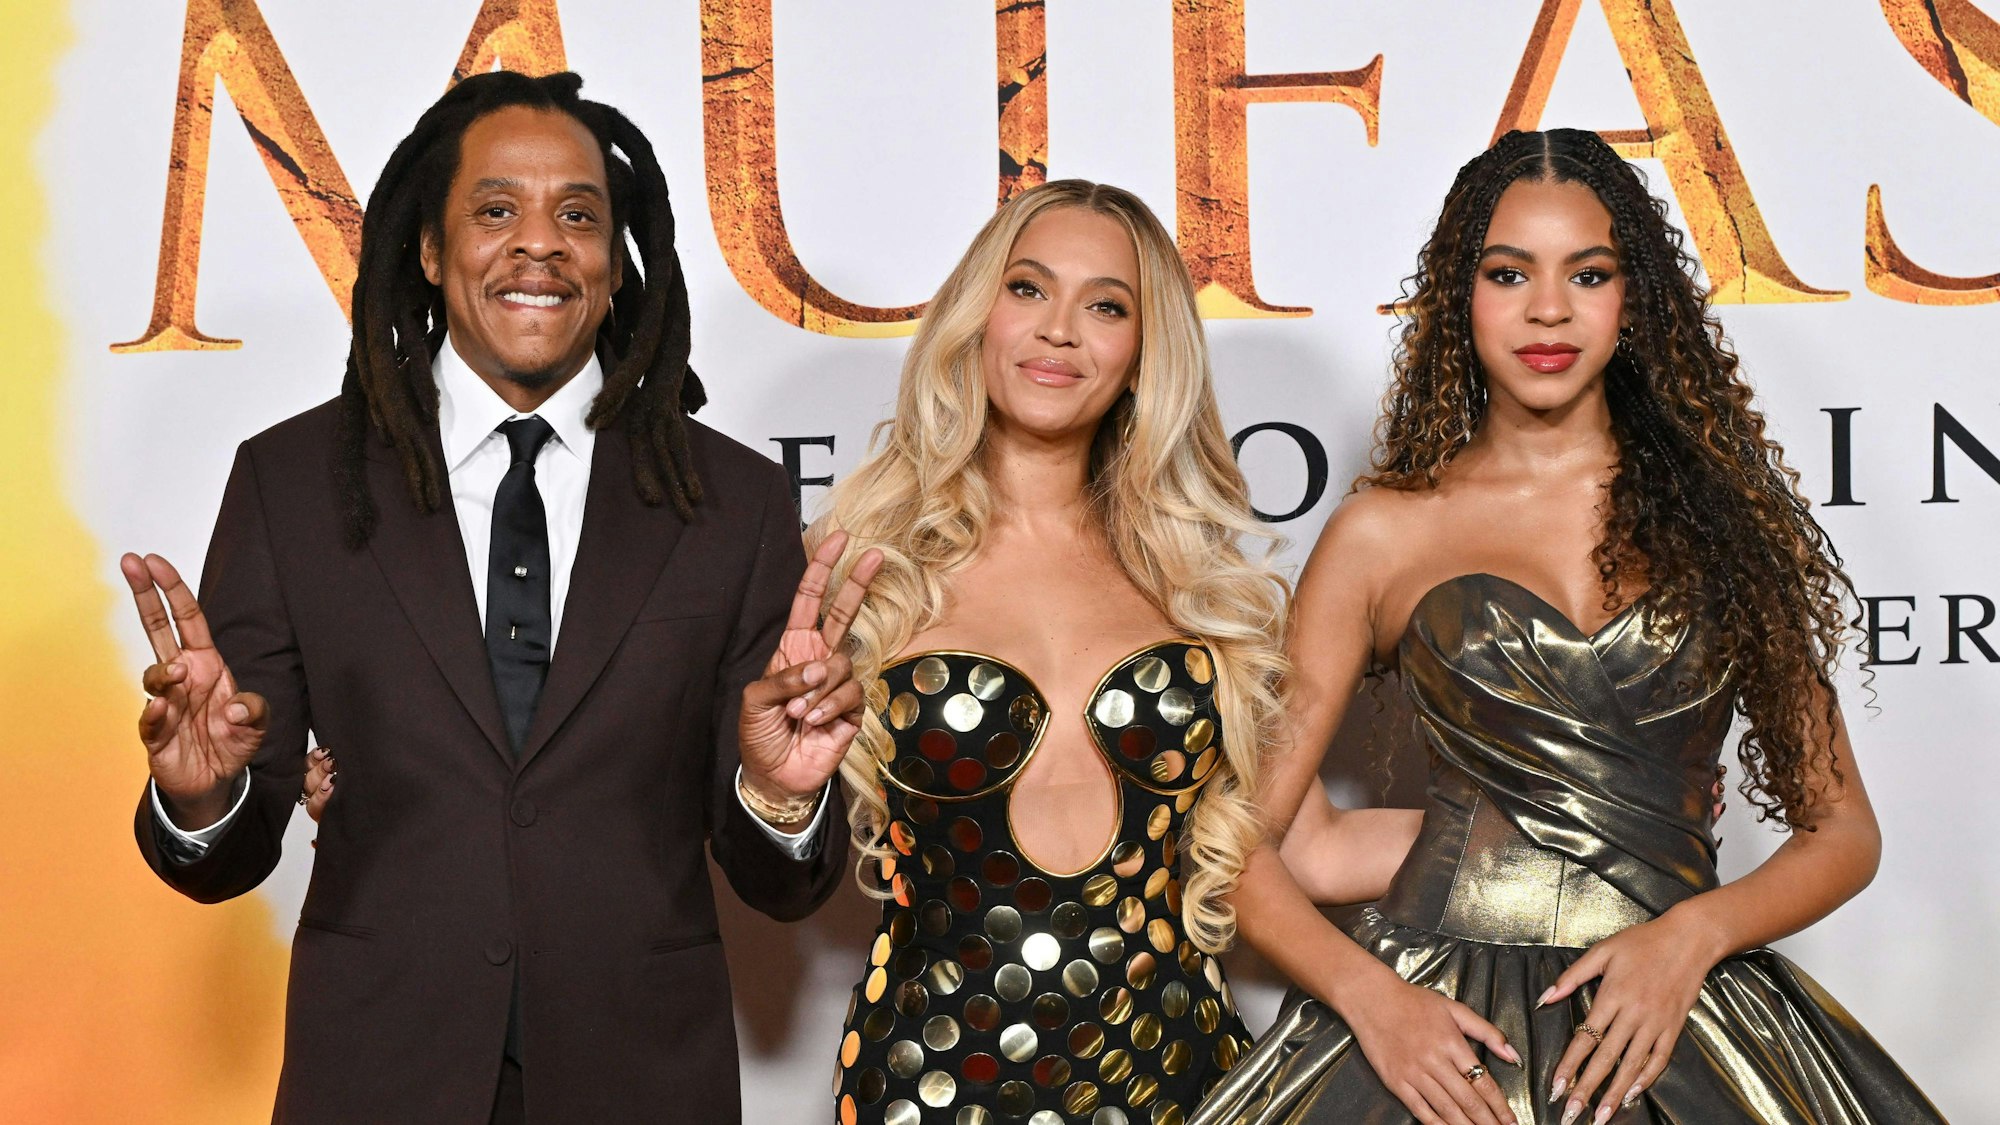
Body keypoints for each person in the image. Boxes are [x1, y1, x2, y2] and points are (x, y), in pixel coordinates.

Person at [122, 71, 869, 1124]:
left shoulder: (732, 502)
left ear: (616, 264)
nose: (539, 243)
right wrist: (201, 798)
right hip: (377, 1077)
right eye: (494, 210)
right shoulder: (291, 485)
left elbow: (782, 885)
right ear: (429, 252)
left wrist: (780, 796)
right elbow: (226, 860)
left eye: (578, 214)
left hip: (642, 1080)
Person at [1193, 128, 1948, 1125]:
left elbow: (1839, 832)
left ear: (1631, 297)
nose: (1546, 308)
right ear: (1460, 297)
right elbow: (1237, 846)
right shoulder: (1381, 533)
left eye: (1585, 274)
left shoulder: (1721, 516)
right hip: (1434, 1029)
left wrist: (1691, 937)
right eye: (1508, 273)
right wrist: (1373, 1001)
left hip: (1674, 1012)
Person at [805, 179, 1418, 1125]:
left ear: (1141, 354)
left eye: (1105, 305)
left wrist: (1587, 821)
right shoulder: (865, 569)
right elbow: (765, 821)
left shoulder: (1194, 589)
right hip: (928, 1082)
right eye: (1027, 289)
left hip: (1179, 1082)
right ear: (978, 316)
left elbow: (1316, 848)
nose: (1059, 330)